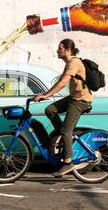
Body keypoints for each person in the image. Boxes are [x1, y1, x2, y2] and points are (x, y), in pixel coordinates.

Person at [33, 39, 93, 177]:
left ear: (67, 49)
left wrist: (45, 95)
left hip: (81, 100)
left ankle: (68, 162)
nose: (57, 51)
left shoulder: (74, 63)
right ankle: (62, 136)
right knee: (50, 110)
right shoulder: (69, 63)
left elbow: (62, 83)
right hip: (74, 98)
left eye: (59, 48)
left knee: (67, 130)